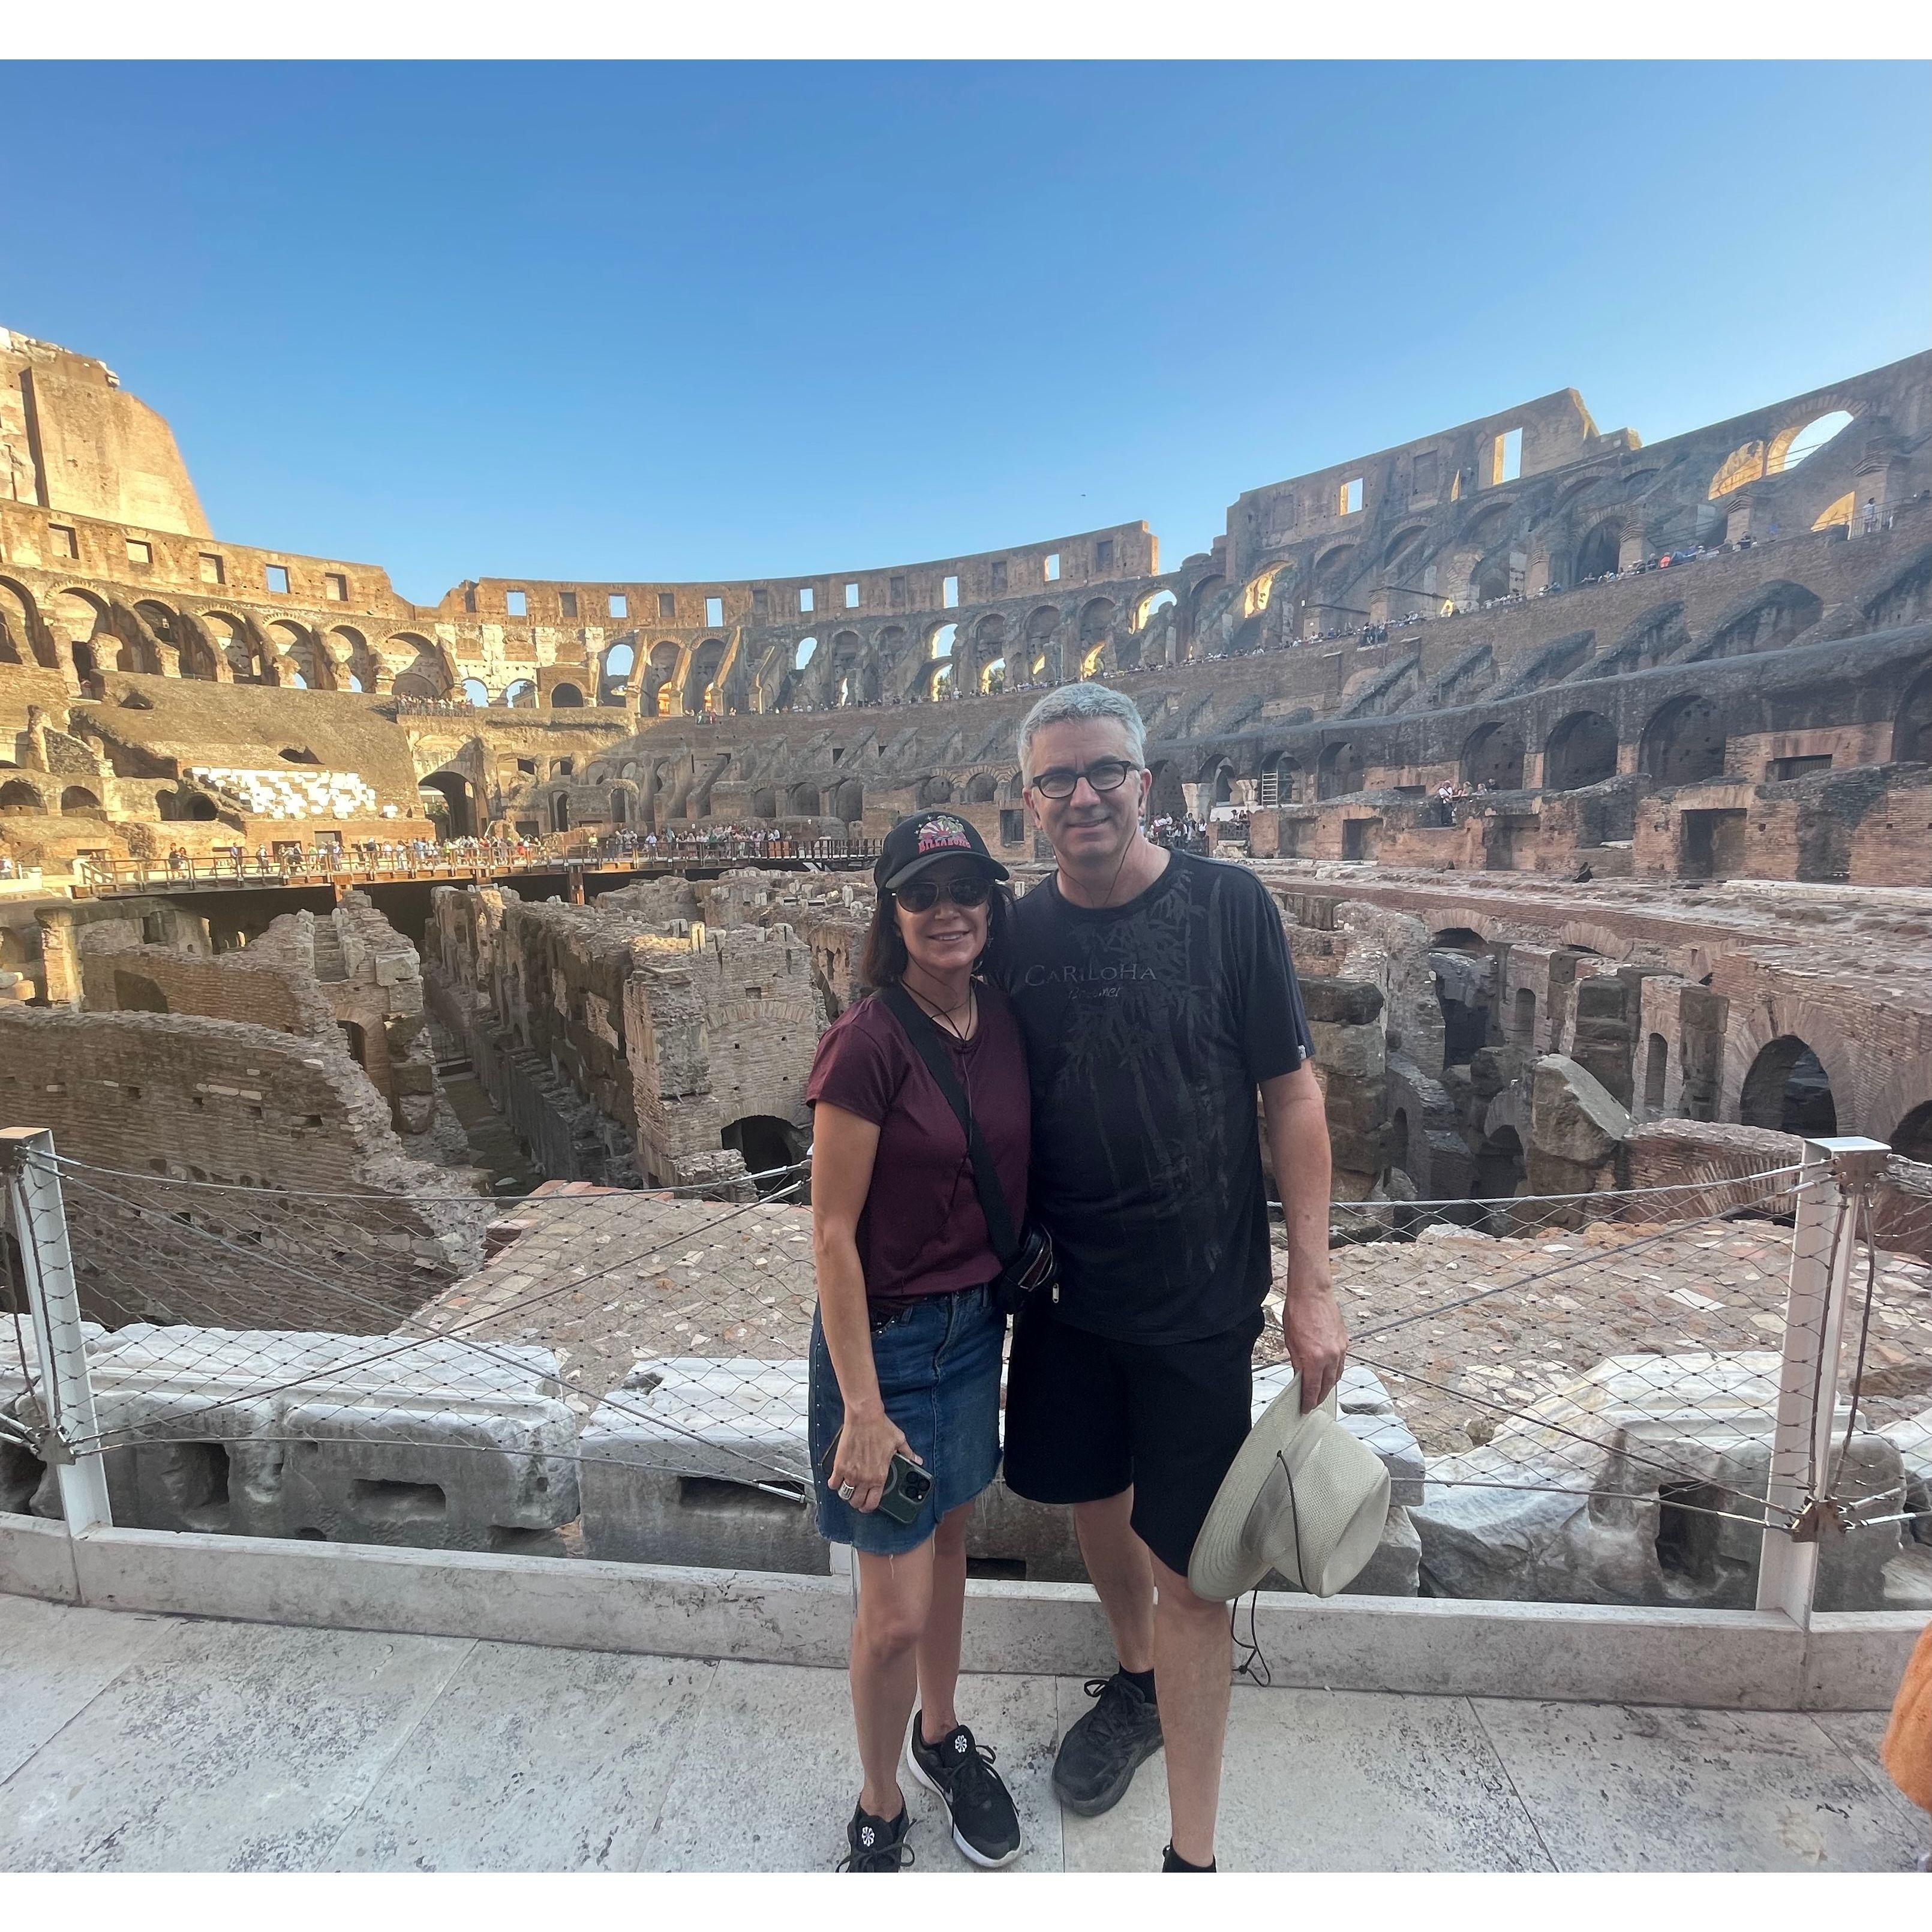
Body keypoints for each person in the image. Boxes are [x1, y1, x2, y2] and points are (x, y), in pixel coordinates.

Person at [1000, 681, 1344, 1873]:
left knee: (1197, 1575)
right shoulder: (1010, 933)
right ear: (1032, 800)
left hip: (1200, 1299)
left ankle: (1191, 1863)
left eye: (1104, 770)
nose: (1083, 794)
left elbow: (1293, 1094)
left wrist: (1313, 1283)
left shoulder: (1229, 905)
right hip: (1059, 1298)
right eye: (1059, 777)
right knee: (1095, 1502)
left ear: (1146, 783)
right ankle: (1136, 1683)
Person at [807, 810, 1029, 1873]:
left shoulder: (1004, 1018)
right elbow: (829, 1233)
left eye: (965, 888)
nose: (947, 909)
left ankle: (941, 1736)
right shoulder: (867, 1040)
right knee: (890, 1610)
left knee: (947, 1553)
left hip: (972, 1330)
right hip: (886, 1352)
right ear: (891, 914)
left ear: (990, 903)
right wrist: (860, 1405)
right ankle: (879, 1800)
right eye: (921, 892)